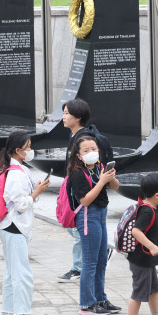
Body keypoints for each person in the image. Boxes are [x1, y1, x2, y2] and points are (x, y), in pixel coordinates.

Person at [0, 131, 50, 315]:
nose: (30, 151)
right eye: (28, 147)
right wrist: (36, 192)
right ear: (18, 151)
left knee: (12, 272)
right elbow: (20, 204)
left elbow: (23, 199)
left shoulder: (16, 170)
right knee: (21, 273)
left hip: (10, 226)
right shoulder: (15, 173)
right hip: (14, 226)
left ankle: (8, 312)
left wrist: (35, 191)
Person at [57, 99, 113, 283]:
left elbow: (96, 169)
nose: (63, 117)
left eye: (67, 113)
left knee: (79, 230)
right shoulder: (75, 136)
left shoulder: (83, 139)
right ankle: (97, 251)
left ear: (78, 116)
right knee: (72, 226)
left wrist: (101, 183)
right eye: (64, 112)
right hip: (77, 190)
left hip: (87, 196)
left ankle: (78, 268)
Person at [68, 135, 121, 315]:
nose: (91, 152)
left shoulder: (99, 167)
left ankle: (100, 299)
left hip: (101, 213)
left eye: (94, 149)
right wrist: (101, 182)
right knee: (90, 262)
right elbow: (85, 199)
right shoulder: (77, 173)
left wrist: (110, 177)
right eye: (86, 150)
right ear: (78, 155)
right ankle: (86, 304)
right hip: (88, 216)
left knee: (101, 261)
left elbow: (115, 187)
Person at [122, 173, 158, 315]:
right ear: (157, 195)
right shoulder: (147, 211)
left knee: (153, 288)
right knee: (139, 291)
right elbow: (136, 231)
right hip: (141, 259)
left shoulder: (150, 207)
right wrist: (151, 246)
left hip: (146, 260)